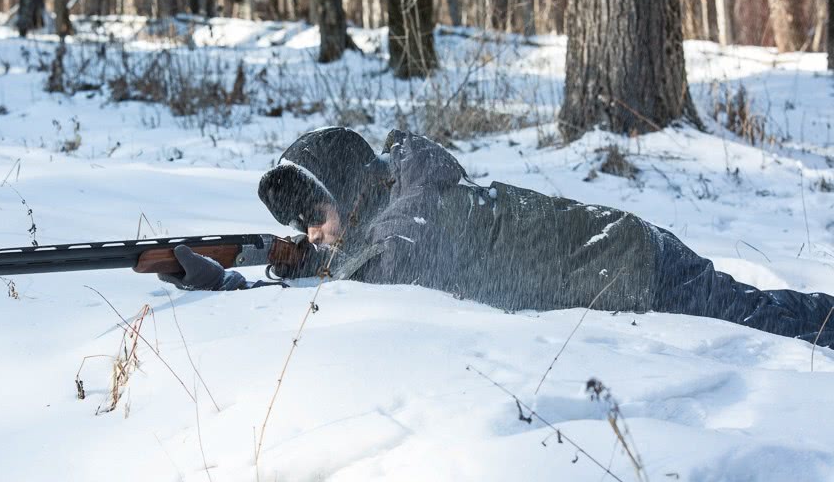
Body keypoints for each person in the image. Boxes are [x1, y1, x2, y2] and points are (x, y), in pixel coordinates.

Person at [162, 127, 834, 348]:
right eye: (301, 226)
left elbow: (353, 292)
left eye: (314, 214)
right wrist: (285, 263)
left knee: (777, 324)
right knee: (771, 314)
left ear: (346, 193)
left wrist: (232, 282)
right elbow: (353, 264)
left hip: (632, 266)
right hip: (621, 249)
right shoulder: (401, 202)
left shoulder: (411, 227)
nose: (311, 232)